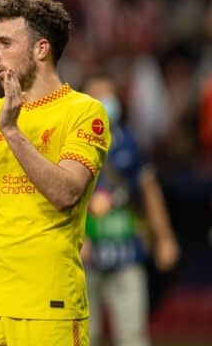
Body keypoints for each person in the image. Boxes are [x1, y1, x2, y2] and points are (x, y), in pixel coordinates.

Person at [0, 0, 111, 345]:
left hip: (49, 306)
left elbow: (66, 192)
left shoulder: (85, 112)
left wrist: (12, 132)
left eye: (4, 43)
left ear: (41, 49)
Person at [81, 75, 180, 346]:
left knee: (133, 335)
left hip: (127, 252)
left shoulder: (130, 144)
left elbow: (150, 192)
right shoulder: (73, 142)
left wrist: (164, 237)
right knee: (82, 336)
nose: (104, 102)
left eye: (107, 95)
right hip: (84, 256)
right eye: (96, 95)